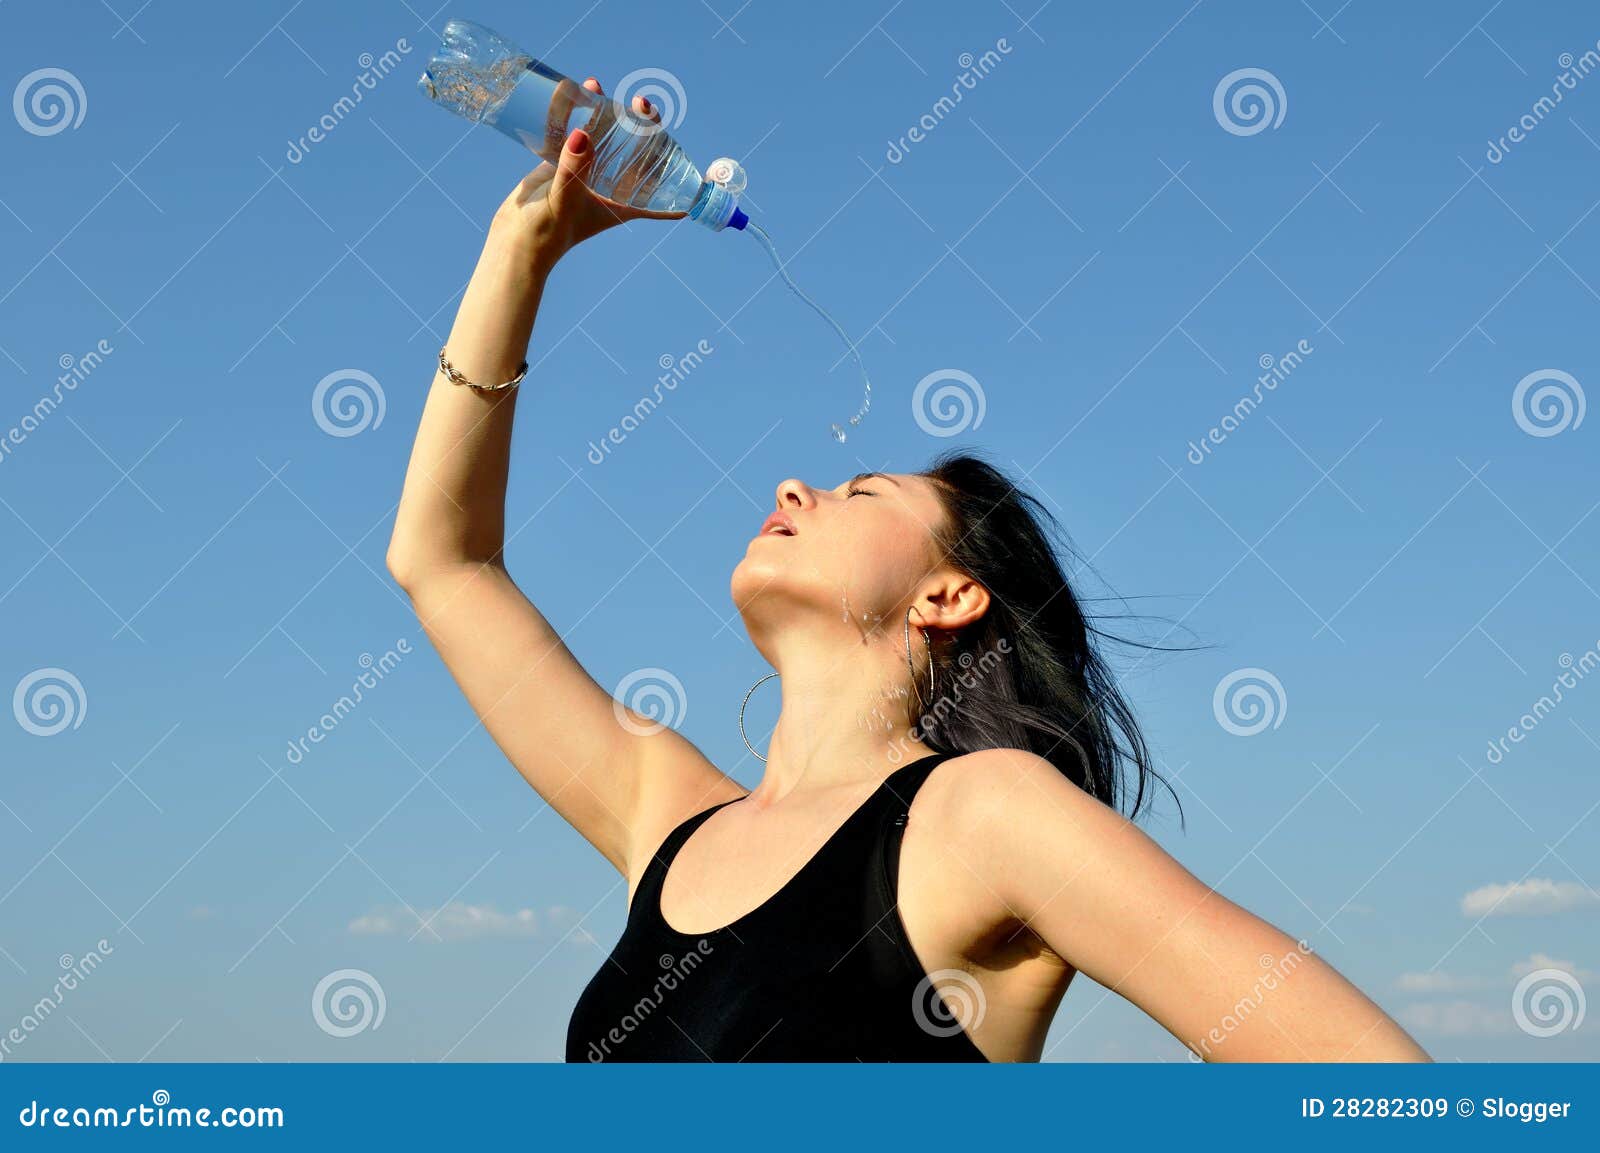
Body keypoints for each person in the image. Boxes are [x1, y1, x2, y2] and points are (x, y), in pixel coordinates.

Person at [386, 79, 1430, 1063]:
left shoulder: (985, 815)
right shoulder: (663, 811)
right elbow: (443, 561)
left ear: (948, 595)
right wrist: (522, 251)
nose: (797, 487)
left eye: (863, 491)